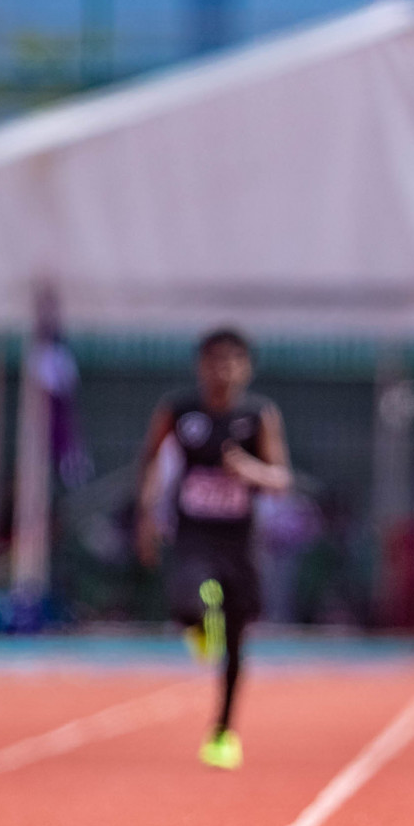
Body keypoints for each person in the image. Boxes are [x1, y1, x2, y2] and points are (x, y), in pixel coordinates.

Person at [135, 328, 292, 770]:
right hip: (193, 537)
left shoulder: (258, 415)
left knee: (238, 642)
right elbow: (150, 463)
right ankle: (201, 622)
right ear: (200, 365)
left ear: (246, 368)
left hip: (239, 543)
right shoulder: (178, 412)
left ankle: (223, 731)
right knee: (188, 598)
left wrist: (247, 470)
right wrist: (146, 519)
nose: (222, 370)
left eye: (231, 361)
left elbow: (281, 478)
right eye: (213, 360)